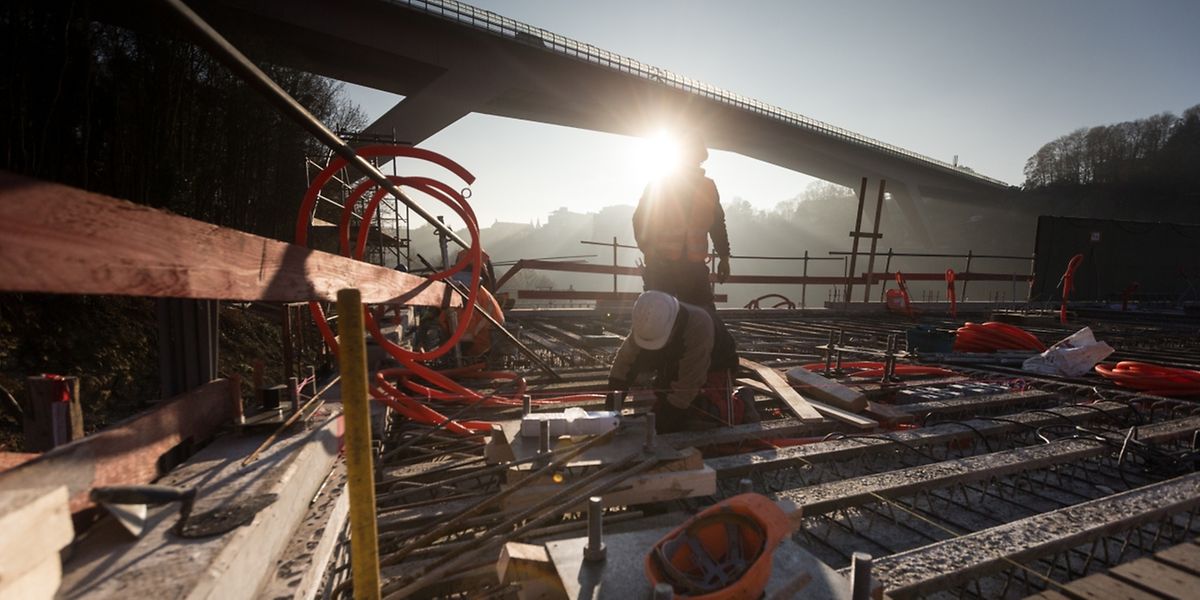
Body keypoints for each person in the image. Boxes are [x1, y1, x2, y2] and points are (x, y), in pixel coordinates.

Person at [608, 291, 748, 433]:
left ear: (673, 326)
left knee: (701, 416)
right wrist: (610, 411)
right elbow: (624, 364)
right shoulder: (648, 321)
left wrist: (660, 428)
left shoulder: (699, 325)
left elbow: (687, 386)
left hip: (715, 365)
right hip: (676, 361)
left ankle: (744, 402)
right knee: (663, 406)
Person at [633, 133, 731, 311]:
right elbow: (641, 219)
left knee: (701, 319)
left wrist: (724, 257)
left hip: (692, 268)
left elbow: (717, 224)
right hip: (662, 267)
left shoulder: (708, 187)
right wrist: (650, 251)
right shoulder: (660, 184)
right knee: (660, 321)